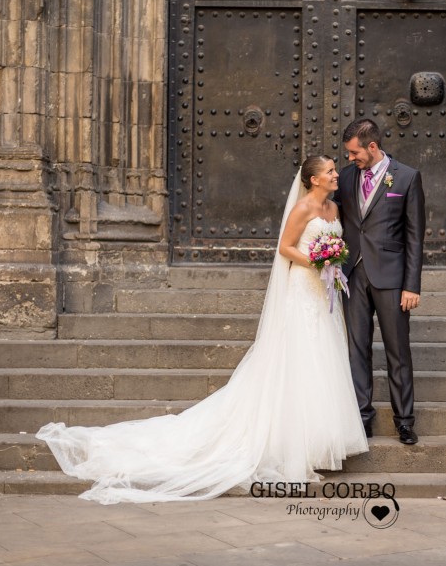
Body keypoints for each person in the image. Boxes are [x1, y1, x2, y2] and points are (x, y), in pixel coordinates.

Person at [37, 156, 368, 504]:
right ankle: (294, 445)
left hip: (323, 295)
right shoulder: (301, 209)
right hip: (303, 289)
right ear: (314, 179)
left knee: (320, 362)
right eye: (330, 171)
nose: (336, 175)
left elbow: (334, 242)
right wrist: (319, 260)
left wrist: (332, 260)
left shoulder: (334, 208)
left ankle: (317, 442)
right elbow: (285, 248)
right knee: (299, 361)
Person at [334, 119, 425, 445]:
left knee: (397, 351)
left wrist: (411, 285)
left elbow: (415, 237)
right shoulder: (344, 178)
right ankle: (362, 419)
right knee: (357, 350)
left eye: (355, 152)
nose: (351, 158)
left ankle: (404, 421)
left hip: (391, 278)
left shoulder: (406, 177)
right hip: (353, 275)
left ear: (372, 147)